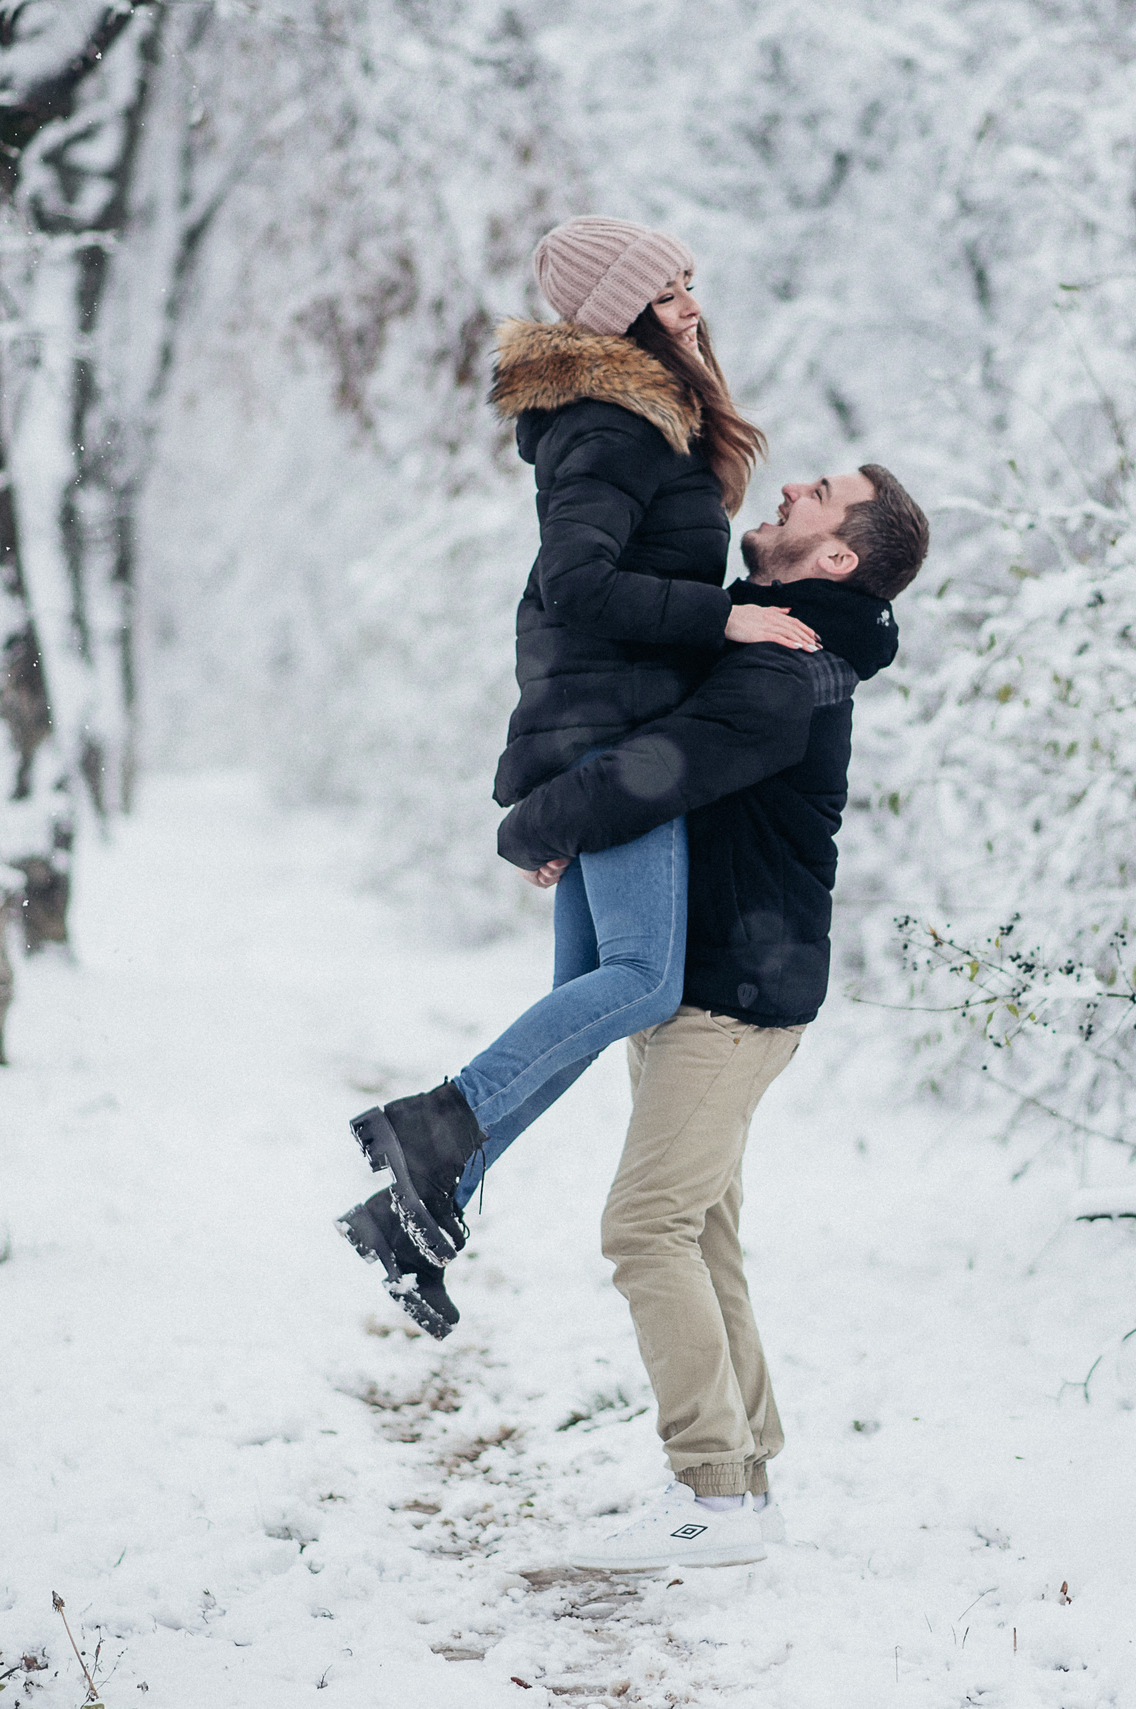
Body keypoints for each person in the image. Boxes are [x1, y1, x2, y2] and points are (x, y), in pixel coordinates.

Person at [336, 216, 813, 1335]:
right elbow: (574, 585)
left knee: (586, 1001)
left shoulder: (643, 421)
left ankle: (418, 1200)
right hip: (619, 734)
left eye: (692, 283)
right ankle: (436, 1121)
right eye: (671, 290)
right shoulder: (609, 426)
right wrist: (726, 616)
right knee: (642, 983)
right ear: (621, 315)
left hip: (605, 728)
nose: (694, 305)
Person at [497, 465, 932, 1571]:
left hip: (731, 1000)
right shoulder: (779, 644)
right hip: (720, 988)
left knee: (643, 1227)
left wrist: (538, 822)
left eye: (820, 491)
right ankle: (743, 1481)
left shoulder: (789, 671)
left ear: (836, 555)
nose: (789, 485)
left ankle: (710, 1496)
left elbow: (658, 766)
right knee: (699, 1229)